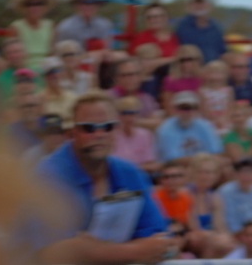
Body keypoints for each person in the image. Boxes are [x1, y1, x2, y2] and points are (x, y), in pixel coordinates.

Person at [34, 91, 177, 265]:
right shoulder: (48, 176)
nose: (100, 134)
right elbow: (53, 254)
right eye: (89, 128)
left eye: (108, 127)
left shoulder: (130, 173)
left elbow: (160, 241)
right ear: (72, 133)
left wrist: (93, 250)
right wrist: (135, 251)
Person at [188, 153, 235, 258]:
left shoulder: (214, 197)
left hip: (208, 236)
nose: (208, 176)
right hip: (188, 236)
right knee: (211, 241)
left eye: (212, 173)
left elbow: (220, 226)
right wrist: (213, 236)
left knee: (227, 242)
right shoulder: (187, 193)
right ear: (193, 173)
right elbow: (193, 226)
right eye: (203, 172)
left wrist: (225, 237)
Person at [156, 91, 223, 163]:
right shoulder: (166, 128)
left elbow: (215, 151)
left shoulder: (205, 125)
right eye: (183, 108)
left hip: (203, 165)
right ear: (175, 110)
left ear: (196, 110)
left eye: (191, 108)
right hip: (177, 167)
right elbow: (172, 159)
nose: (187, 112)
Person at [109, 58, 163, 130]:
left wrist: (130, 121)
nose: (128, 79)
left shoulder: (146, 99)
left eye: (132, 75)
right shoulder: (108, 97)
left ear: (140, 77)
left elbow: (157, 123)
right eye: (123, 75)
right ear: (116, 78)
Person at [174, 0, 226, 64]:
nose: (199, 6)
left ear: (209, 5)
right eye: (195, 3)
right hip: (190, 66)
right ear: (189, 6)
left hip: (213, 67)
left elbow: (222, 50)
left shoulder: (216, 27)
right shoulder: (182, 26)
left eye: (201, 3)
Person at [112, 96, 159, 174]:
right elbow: (112, 165)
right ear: (117, 116)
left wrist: (131, 168)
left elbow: (151, 165)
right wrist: (139, 167)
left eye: (132, 113)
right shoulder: (112, 136)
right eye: (124, 113)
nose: (128, 118)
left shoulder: (145, 135)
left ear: (138, 115)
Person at [10, 0, 56, 69]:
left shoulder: (50, 25)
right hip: (24, 67)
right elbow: (12, 53)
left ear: (44, 7)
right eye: (30, 4)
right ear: (24, 8)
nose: (35, 7)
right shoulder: (16, 27)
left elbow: (52, 51)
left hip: (48, 66)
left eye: (39, 4)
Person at [152, 161, 194, 230]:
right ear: (160, 180)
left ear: (184, 178)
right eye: (166, 177)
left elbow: (191, 225)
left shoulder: (187, 197)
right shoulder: (154, 198)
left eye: (175, 176)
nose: (171, 180)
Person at [0, 39, 37, 107]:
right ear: (5, 57)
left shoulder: (38, 74)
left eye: (17, 52)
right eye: (10, 53)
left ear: (25, 53)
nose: (14, 56)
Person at [162, 44, 204, 114]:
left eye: (190, 60)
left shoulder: (203, 78)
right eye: (182, 60)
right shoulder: (171, 80)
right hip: (178, 116)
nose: (186, 64)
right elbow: (168, 105)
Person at [199, 60, 234, 132]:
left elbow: (230, 107)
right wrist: (214, 120)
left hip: (225, 119)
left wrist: (223, 119)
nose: (216, 75)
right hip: (208, 120)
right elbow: (204, 109)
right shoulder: (202, 91)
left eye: (219, 72)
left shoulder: (228, 90)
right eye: (213, 72)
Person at [39, 57, 77, 122]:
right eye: (50, 72)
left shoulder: (72, 96)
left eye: (57, 71)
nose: (54, 75)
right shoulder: (40, 99)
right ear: (44, 77)